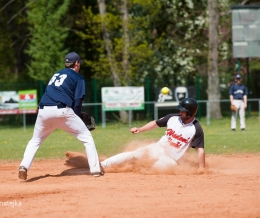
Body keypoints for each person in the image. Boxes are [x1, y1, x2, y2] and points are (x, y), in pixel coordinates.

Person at [18, 52, 103, 180]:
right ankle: (96, 170)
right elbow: (78, 100)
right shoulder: (78, 77)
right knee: (87, 138)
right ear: (76, 64)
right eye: (79, 63)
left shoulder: (56, 74)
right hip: (62, 111)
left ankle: (23, 166)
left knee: (35, 140)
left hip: (43, 111)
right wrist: (78, 116)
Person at [100, 98, 205, 172]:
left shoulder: (196, 128)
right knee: (133, 154)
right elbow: (155, 123)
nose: (180, 112)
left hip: (171, 160)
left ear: (190, 113)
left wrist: (201, 169)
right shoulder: (172, 118)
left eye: (183, 111)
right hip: (157, 148)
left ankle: (136, 167)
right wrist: (140, 129)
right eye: (180, 110)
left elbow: (200, 150)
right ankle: (102, 165)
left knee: (153, 170)